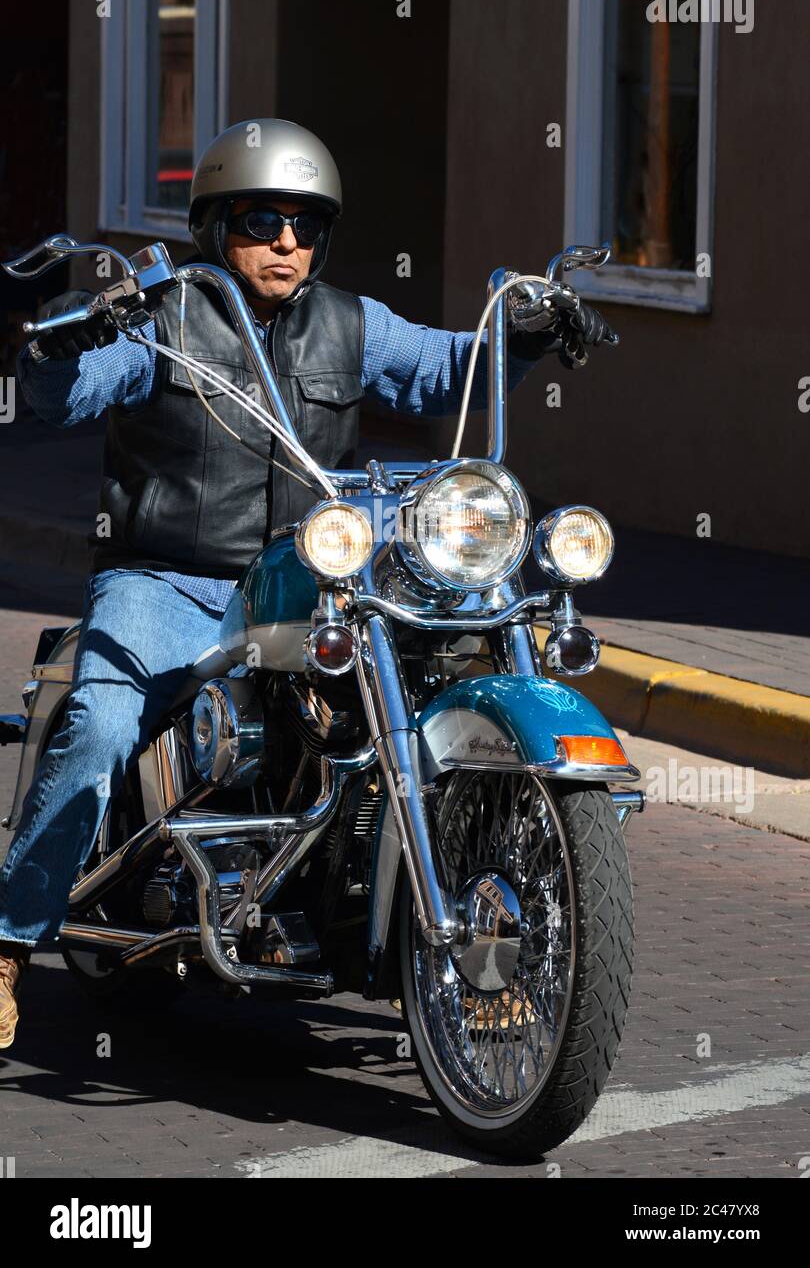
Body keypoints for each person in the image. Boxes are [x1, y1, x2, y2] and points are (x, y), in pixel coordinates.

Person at [0, 118, 617, 1046]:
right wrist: (54, 342)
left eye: (303, 224)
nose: (285, 241)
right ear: (216, 226)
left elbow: (453, 369)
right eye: (260, 220)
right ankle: (10, 940)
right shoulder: (164, 315)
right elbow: (69, 394)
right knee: (100, 724)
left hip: (311, 573)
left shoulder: (352, 324)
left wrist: (523, 336)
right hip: (169, 579)